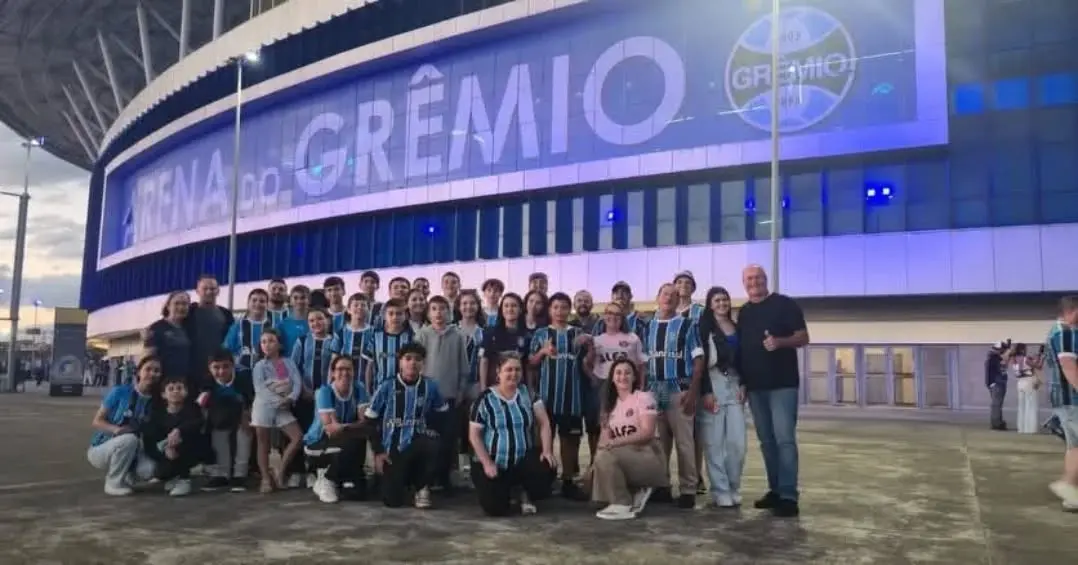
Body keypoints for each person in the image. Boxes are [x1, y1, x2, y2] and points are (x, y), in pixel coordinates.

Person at [736, 264, 809, 518]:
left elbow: (803, 337)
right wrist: (743, 382)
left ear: (765, 280)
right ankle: (775, 490)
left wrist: (779, 342)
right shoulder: (743, 313)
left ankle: (789, 495)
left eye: (757, 277)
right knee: (767, 442)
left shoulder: (785, 305)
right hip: (756, 388)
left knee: (784, 440)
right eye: (749, 279)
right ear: (744, 283)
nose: (753, 282)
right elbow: (743, 350)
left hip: (782, 385)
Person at [642, 283, 706, 508]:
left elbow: (699, 361)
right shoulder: (648, 327)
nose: (669, 298)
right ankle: (662, 486)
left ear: (679, 300)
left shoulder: (688, 325)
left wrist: (693, 392)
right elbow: (643, 363)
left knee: (684, 442)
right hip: (654, 390)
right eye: (665, 294)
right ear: (657, 297)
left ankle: (688, 489)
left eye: (674, 295)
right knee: (658, 444)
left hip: (679, 389)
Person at [469, 354, 557, 516]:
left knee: (547, 467)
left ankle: (525, 492)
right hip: (495, 462)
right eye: (508, 369)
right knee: (495, 509)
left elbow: (544, 422)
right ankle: (507, 492)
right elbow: (474, 435)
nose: (513, 374)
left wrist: (547, 450)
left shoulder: (528, 394)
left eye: (517, 369)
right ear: (498, 372)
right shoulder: (484, 399)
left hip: (522, 460)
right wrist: (487, 463)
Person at [365, 342, 449, 509]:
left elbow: (443, 415)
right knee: (392, 502)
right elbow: (370, 421)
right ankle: (401, 481)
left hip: (418, 443)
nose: (412, 363)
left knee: (432, 444)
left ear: (423, 363)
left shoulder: (430, 387)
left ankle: (422, 486)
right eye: (408, 358)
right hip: (392, 449)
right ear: (400, 362)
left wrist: (436, 434)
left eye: (417, 359)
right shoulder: (386, 386)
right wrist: (378, 452)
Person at [529, 292, 589, 500]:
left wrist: (590, 346)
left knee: (569, 441)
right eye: (556, 307)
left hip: (572, 398)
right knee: (542, 440)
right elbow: (531, 362)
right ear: (549, 310)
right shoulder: (541, 334)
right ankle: (544, 479)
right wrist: (543, 352)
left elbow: (588, 364)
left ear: (569, 309)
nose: (560, 311)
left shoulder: (578, 334)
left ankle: (568, 481)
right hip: (546, 398)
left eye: (564, 307)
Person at [591, 359, 667, 520]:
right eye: (618, 373)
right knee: (599, 464)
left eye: (627, 372)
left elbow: (647, 433)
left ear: (634, 377)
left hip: (647, 455)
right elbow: (603, 443)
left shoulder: (644, 398)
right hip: (625, 458)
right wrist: (593, 468)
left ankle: (622, 503)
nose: (622, 376)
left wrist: (615, 443)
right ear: (612, 377)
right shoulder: (609, 406)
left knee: (606, 457)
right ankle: (635, 491)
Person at [696, 287, 746, 508]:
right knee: (714, 442)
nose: (722, 303)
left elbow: (746, 359)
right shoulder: (704, 329)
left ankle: (733, 486)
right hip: (713, 383)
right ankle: (720, 489)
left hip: (734, 384)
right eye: (717, 300)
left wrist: (745, 383)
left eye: (725, 299)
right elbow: (701, 364)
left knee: (738, 443)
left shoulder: (736, 328)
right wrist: (706, 391)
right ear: (710, 304)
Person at [414, 296, 471, 492]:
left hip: (450, 397)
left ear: (449, 312)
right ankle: (426, 479)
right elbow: (416, 365)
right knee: (428, 440)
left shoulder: (458, 336)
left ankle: (445, 478)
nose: (439, 313)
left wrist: (461, 391)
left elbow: (464, 367)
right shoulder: (422, 335)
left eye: (443, 309)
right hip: (426, 399)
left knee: (448, 440)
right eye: (434, 309)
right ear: (429, 313)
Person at [87, 355, 161, 496]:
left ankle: (126, 473)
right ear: (139, 372)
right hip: (102, 448)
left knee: (149, 471)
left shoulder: (156, 401)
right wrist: (116, 430)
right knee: (129, 439)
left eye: (157, 370)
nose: (152, 373)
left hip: (133, 450)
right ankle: (113, 483)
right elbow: (97, 421)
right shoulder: (120, 392)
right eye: (148, 369)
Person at [304, 356, 371, 504]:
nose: (345, 373)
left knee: (359, 493)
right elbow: (331, 429)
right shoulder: (325, 392)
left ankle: (347, 478)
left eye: (349, 369)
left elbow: (365, 422)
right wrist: (353, 426)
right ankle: (326, 479)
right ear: (333, 373)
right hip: (318, 442)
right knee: (353, 440)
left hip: (347, 440)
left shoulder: (359, 389)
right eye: (340, 369)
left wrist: (346, 426)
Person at [584, 302, 647, 455]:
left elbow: (641, 365)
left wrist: (642, 388)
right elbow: (587, 363)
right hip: (603, 386)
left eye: (617, 314)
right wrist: (593, 378)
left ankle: (626, 461)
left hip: (627, 386)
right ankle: (597, 463)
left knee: (626, 424)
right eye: (609, 313)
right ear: (604, 317)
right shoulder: (597, 340)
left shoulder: (633, 338)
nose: (613, 317)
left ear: (622, 318)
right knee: (601, 426)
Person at [250, 328, 304, 494]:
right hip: (264, 407)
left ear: (279, 344)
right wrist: (278, 400)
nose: (267, 345)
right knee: (263, 443)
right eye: (264, 342)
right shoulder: (259, 366)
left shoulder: (287, 362)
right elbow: (260, 389)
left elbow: (297, 382)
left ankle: (280, 472)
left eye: (271, 341)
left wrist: (290, 398)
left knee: (297, 437)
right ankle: (266, 478)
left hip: (283, 407)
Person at [142, 376, 206, 497]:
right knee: (161, 470)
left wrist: (179, 430)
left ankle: (184, 480)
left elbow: (197, 423)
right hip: (164, 454)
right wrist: (164, 450)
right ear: (163, 394)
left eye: (179, 388)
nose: (175, 391)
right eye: (171, 389)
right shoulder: (157, 415)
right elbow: (149, 441)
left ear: (186, 392)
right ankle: (172, 477)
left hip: (189, 451)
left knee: (183, 439)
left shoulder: (193, 409)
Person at [203, 348, 252, 492]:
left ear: (232, 365)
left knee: (244, 434)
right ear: (209, 368)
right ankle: (221, 474)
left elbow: (251, 400)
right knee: (218, 433)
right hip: (220, 415)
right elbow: (203, 406)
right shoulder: (206, 382)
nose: (221, 372)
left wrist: (246, 417)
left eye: (225, 367)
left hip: (242, 411)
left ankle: (240, 475)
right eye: (216, 368)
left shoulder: (244, 377)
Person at [1046, 296, 1078, 511]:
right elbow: (1068, 366)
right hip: (1071, 398)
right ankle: (1067, 485)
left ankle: (1071, 492)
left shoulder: (1057, 330)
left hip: (1064, 398)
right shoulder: (1065, 332)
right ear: (1073, 311)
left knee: (1074, 444)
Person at [183, 275, 235, 387]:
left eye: (212, 289)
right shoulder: (189, 313)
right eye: (205, 289)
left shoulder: (226, 314)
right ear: (197, 291)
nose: (209, 292)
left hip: (218, 373)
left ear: (218, 291)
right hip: (192, 372)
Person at [143, 291, 194, 391]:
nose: (181, 307)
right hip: (163, 385)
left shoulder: (190, 328)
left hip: (184, 385)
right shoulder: (157, 328)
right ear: (168, 306)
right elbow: (147, 358)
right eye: (177, 303)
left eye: (184, 304)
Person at [362, 298, 415, 393]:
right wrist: (367, 390)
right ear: (384, 316)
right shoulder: (376, 337)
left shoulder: (411, 338)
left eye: (399, 314)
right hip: (379, 389)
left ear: (405, 316)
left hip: (406, 390)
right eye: (391, 313)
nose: (395, 317)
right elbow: (369, 366)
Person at [479, 293, 529, 388]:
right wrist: (483, 387)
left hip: (517, 386)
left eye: (514, 306)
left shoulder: (526, 335)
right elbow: (484, 360)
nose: (510, 309)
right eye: (506, 306)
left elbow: (527, 364)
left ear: (520, 310)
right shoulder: (490, 332)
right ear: (501, 310)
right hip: (494, 385)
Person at [336, 292, 372, 391]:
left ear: (369, 310)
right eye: (356, 305)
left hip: (367, 383)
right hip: (343, 382)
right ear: (348, 310)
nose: (359, 307)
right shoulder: (341, 333)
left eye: (363, 305)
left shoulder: (374, 333)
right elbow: (333, 359)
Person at [1015, 344, 1042, 435]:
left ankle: (1021, 428)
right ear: (1023, 349)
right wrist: (1042, 357)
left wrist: (1036, 357)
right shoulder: (1026, 359)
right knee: (1030, 405)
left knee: (1021, 406)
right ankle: (1030, 428)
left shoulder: (1014, 359)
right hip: (1029, 381)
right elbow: (1038, 366)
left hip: (1020, 382)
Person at [277, 285, 312, 356]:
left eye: (303, 298)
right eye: (295, 298)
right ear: (290, 301)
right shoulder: (282, 325)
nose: (299, 301)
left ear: (309, 300)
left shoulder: (315, 323)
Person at [985, 340, 1011, 431]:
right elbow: (1002, 364)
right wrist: (1008, 353)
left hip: (997, 383)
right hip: (997, 383)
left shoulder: (994, 357)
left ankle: (998, 422)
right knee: (996, 404)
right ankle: (996, 423)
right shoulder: (994, 357)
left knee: (997, 404)